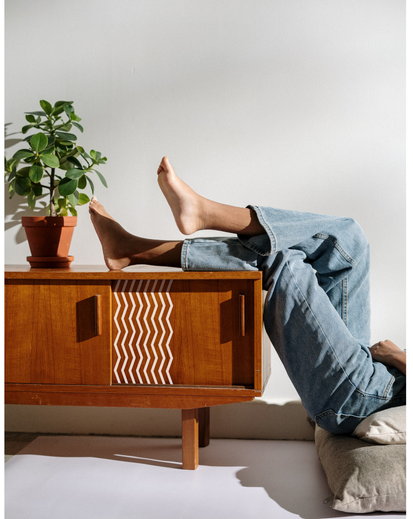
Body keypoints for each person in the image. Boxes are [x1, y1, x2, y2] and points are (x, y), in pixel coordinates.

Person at [89, 157, 406, 434]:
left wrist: (397, 357)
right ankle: (148, 240)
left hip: (365, 395)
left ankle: (168, 230)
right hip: (373, 379)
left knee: (286, 260)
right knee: (347, 239)